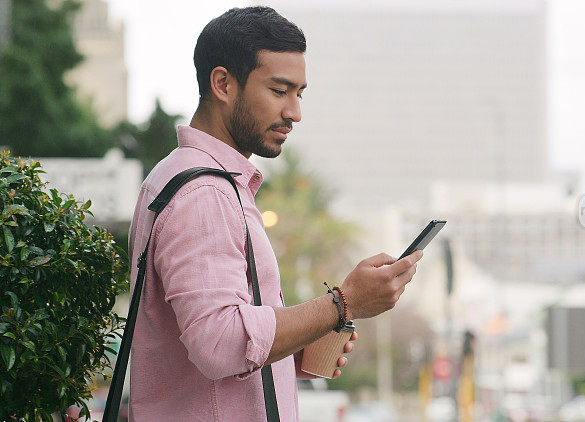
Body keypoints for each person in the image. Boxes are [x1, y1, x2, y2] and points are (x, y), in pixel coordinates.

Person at [126, 7, 423, 421]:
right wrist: (343, 303)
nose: (294, 112)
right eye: (279, 90)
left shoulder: (189, 178)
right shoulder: (204, 193)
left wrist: (297, 344)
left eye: (299, 93)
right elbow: (219, 344)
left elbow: (212, 337)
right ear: (223, 83)